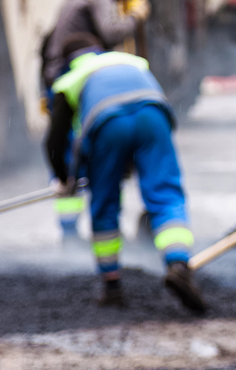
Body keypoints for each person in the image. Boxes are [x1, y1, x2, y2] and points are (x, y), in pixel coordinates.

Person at [45, 33, 205, 313]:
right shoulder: (131, 61)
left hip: (107, 121)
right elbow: (140, 105)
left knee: (105, 203)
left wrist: (63, 178)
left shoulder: (69, 80)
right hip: (154, 114)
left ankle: (112, 286)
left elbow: (56, 141)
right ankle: (178, 263)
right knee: (166, 195)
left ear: (69, 60)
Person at [42, 0, 151, 240]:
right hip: (76, 77)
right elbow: (112, 31)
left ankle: (69, 229)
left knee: (68, 152)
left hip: (58, 76)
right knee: (94, 148)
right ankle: (104, 225)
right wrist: (136, 16)